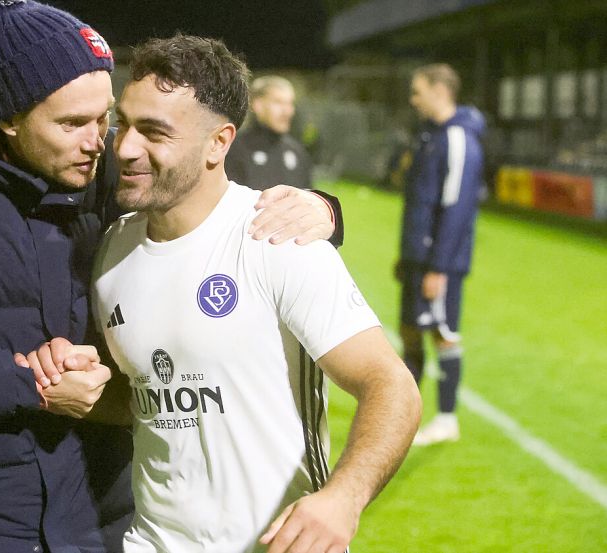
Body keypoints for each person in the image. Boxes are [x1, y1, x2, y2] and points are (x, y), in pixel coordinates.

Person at [0, 2, 342, 552]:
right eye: (72, 123)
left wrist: (323, 210)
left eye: (105, 117)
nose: (100, 141)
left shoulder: (106, 175)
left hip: (92, 511)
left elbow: (205, 193)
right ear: (10, 116)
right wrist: (27, 385)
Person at [26, 34, 421, 553]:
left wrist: (343, 500)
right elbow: (148, 397)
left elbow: (392, 385)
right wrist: (77, 384)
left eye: (155, 132)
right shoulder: (112, 251)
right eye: (124, 123)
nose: (122, 147)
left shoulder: (278, 239)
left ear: (219, 142)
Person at [397, 63, 486, 446]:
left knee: (442, 334)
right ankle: (401, 416)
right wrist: (408, 256)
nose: (413, 99)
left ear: (439, 90)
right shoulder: (429, 136)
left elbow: (456, 207)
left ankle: (447, 419)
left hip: (439, 263)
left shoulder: (458, 138)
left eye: (418, 91)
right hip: (419, 258)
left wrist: (439, 267)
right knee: (410, 332)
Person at [227, 76, 313, 190]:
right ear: (258, 105)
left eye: (290, 104)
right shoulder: (233, 148)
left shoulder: (297, 152)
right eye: (278, 102)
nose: (287, 111)